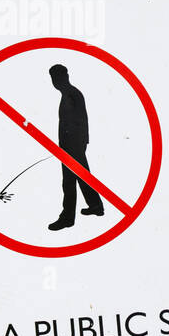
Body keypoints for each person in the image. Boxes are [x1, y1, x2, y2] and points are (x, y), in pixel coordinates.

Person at [47, 63, 104, 231]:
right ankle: (95, 207)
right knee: (78, 178)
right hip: (70, 146)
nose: (55, 82)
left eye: (56, 78)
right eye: (53, 79)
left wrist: (77, 145)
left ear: (64, 77)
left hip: (73, 146)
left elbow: (80, 121)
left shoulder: (72, 94)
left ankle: (68, 217)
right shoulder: (68, 94)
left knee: (70, 181)